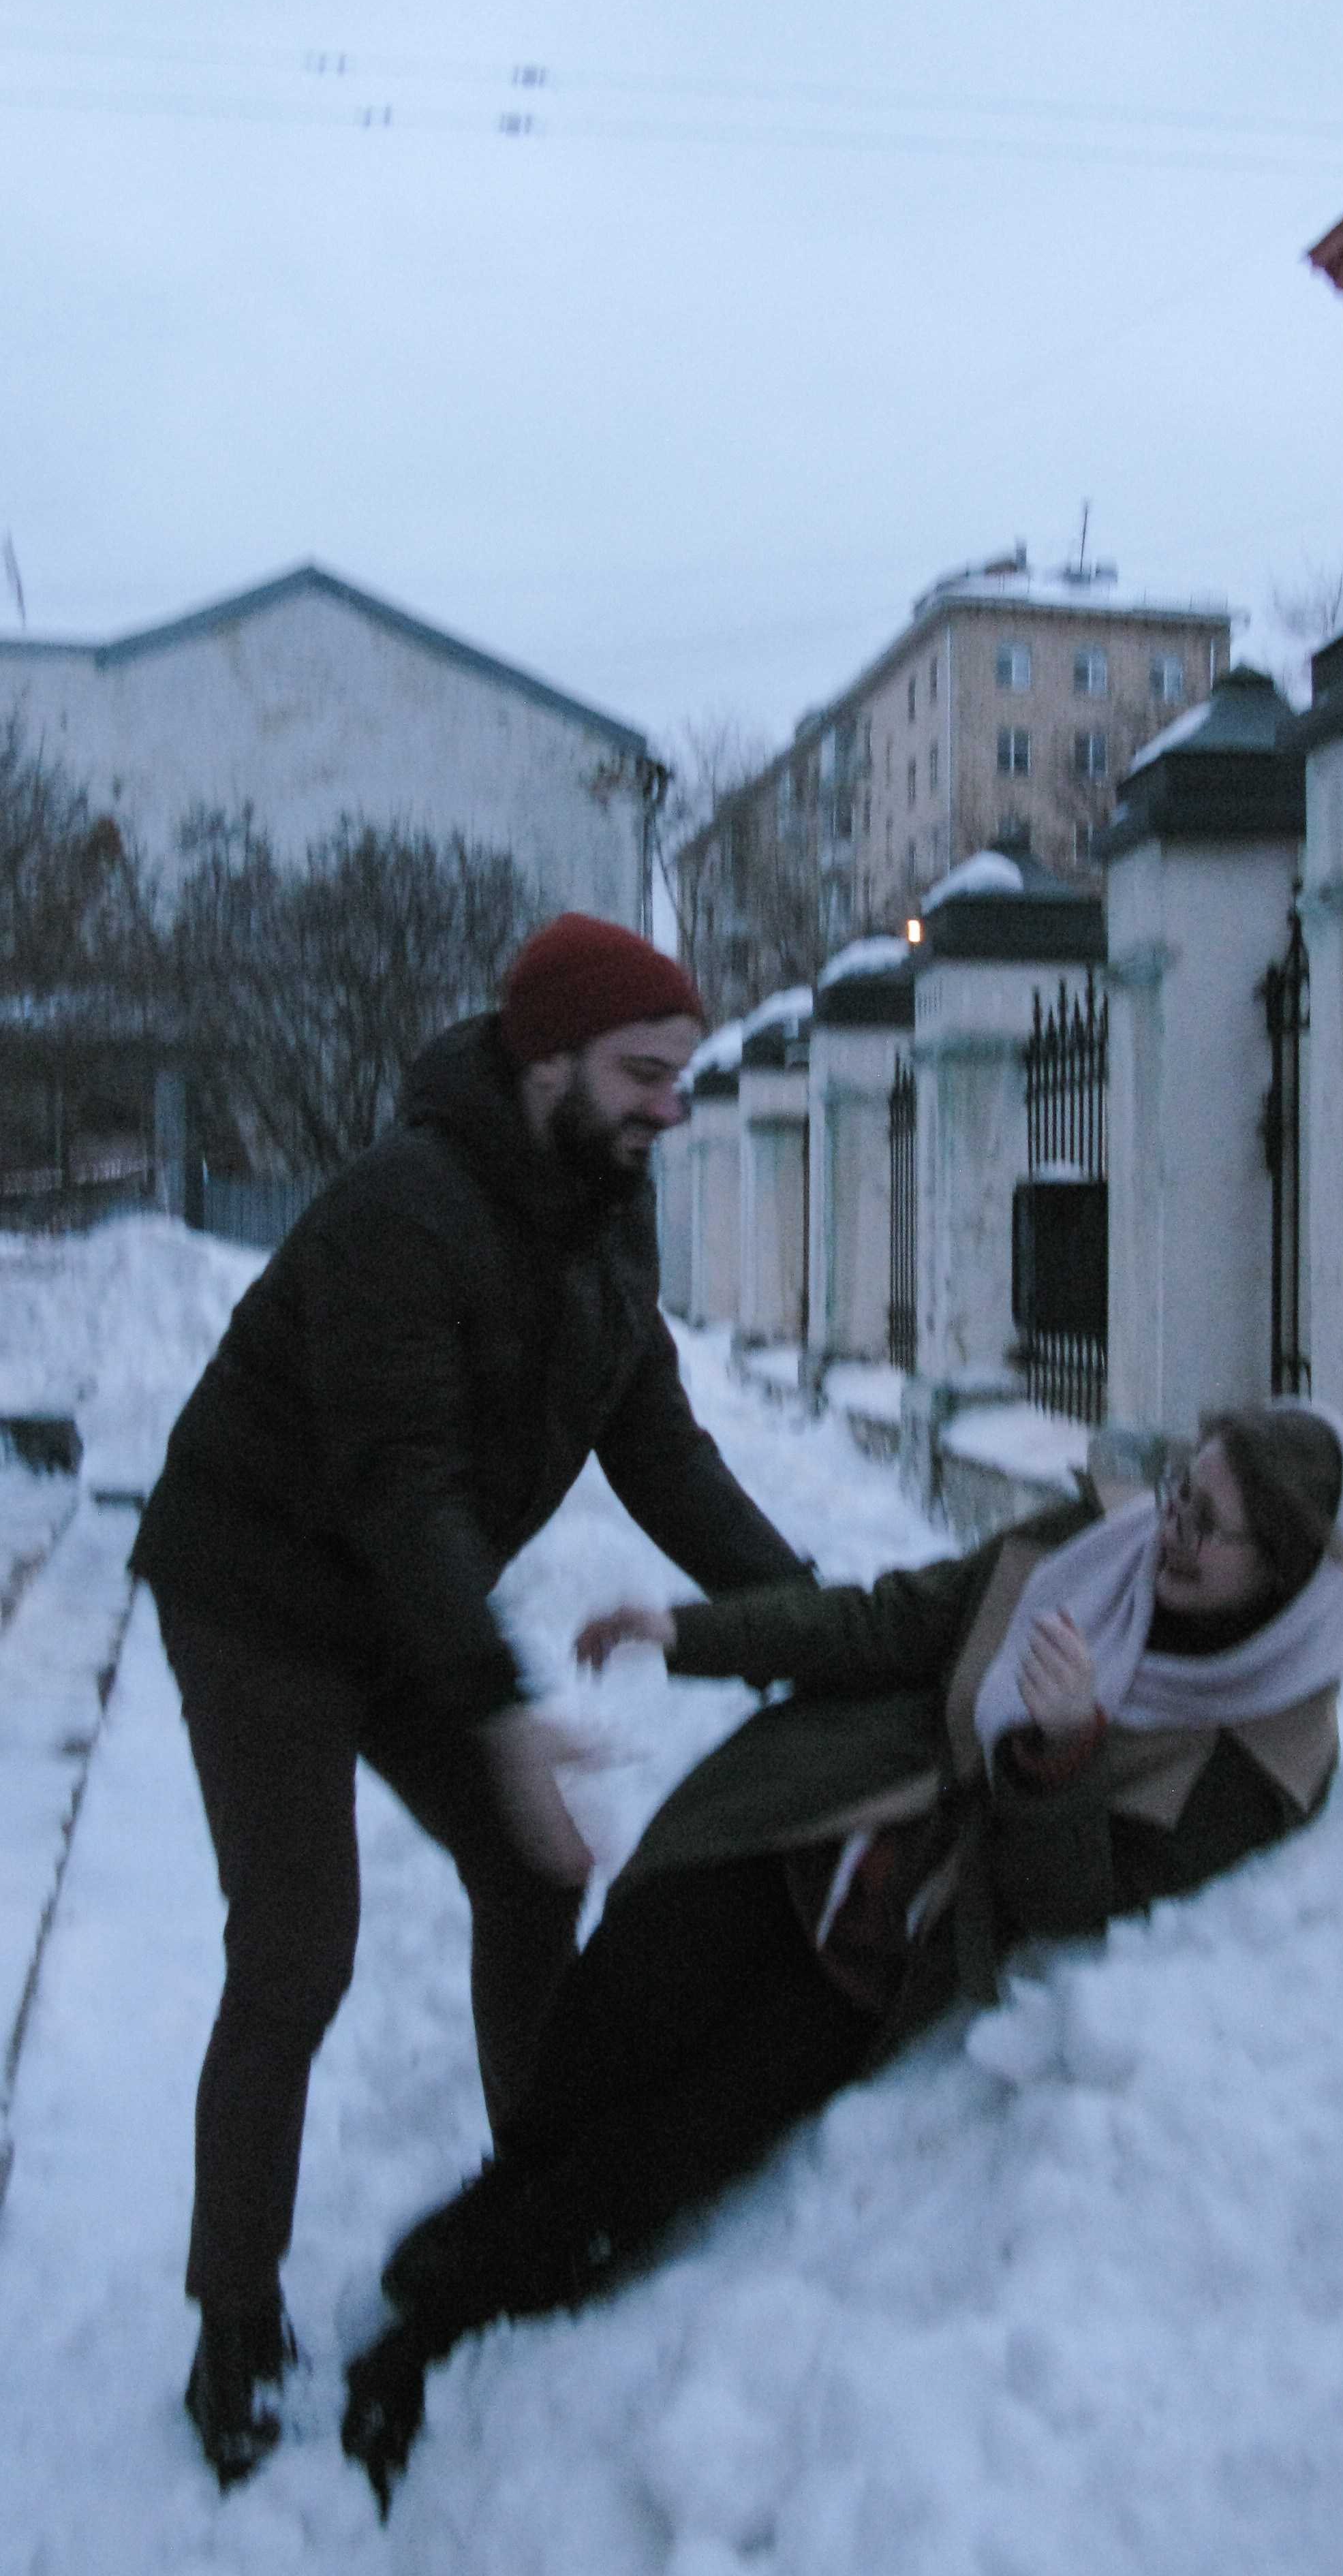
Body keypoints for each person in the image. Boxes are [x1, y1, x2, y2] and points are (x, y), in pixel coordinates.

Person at [340, 1402, 1343, 2517]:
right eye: (1184, 1492)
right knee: (613, 2010)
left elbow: (1081, 1903)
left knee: (668, 2150)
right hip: (812, 1807)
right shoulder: (1092, 1540)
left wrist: (1063, 1752)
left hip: (896, 1946)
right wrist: (696, 1634)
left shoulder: (1265, 1762)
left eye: (1209, 1528)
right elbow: (902, 1620)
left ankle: (426, 2348)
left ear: (1283, 1579)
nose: (1170, 1531)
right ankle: (493, 2212)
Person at [131, 912, 812, 2489]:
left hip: (395, 1591)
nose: (669, 1106)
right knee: (297, 1948)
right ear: (549, 1054)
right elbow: (399, 1484)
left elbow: (664, 1452)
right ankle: (233, 2316)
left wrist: (813, 1616)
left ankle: (530, 2184)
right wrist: (500, 1717)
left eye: (680, 1076)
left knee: (541, 1870)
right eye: (645, 1071)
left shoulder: (604, 1217)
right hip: (262, 1592)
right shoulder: (402, 1213)